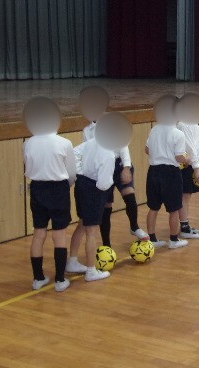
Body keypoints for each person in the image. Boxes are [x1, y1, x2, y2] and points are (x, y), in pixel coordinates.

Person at [79, 86, 148, 246]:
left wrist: (126, 167)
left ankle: (134, 227)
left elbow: (123, 145)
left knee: (129, 195)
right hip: (103, 168)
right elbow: (88, 152)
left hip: (118, 164)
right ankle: (107, 245)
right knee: (106, 206)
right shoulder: (87, 130)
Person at [23, 97, 76, 292]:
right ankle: (60, 280)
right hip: (58, 189)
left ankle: (38, 278)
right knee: (59, 234)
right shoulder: (64, 143)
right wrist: (65, 185)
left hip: (37, 188)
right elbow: (72, 173)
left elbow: (28, 169)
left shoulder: (28, 143)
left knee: (39, 233)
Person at [66, 135, 115, 282]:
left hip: (81, 184)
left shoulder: (92, 142)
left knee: (82, 224)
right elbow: (104, 184)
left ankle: (72, 261)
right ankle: (91, 270)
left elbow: (74, 152)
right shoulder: (109, 154)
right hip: (94, 190)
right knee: (91, 232)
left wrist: (80, 171)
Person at [145, 95, 190, 248]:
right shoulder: (178, 134)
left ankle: (152, 239)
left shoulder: (154, 129)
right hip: (170, 173)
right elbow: (179, 157)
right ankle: (173, 240)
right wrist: (187, 160)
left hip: (153, 171)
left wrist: (159, 152)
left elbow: (147, 150)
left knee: (153, 207)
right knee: (174, 209)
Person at [176, 93, 199, 239]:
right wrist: (196, 167)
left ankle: (185, 224)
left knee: (186, 195)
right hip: (183, 165)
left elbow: (198, 145)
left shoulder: (193, 123)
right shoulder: (183, 124)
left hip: (191, 164)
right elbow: (189, 147)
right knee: (184, 195)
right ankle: (184, 227)